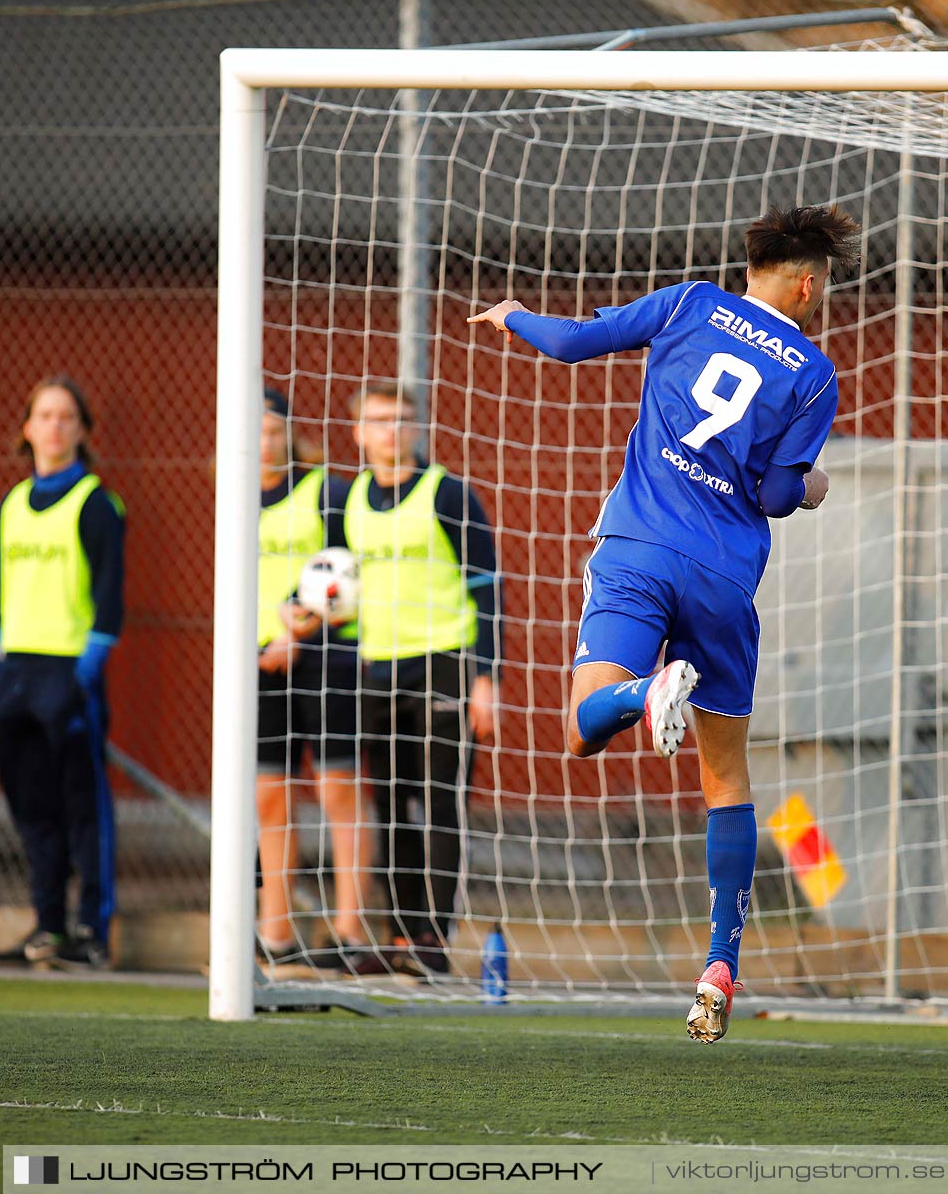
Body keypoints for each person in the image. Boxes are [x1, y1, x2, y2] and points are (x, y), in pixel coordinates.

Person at [468, 203, 859, 1041]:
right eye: (822, 286)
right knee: (727, 780)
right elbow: (776, 495)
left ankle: (643, 692)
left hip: (640, 547)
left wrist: (513, 316)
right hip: (722, 579)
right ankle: (720, 962)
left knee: (580, 728)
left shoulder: (687, 304)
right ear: (805, 281)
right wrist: (814, 486)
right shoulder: (815, 372)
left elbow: (573, 343)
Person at [338, 381, 501, 977]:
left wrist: (486, 678)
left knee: (438, 804)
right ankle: (399, 936)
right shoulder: (348, 501)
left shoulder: (448, 494)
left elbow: (487, 590)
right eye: (378, 420)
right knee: (388, 806)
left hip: (445, 665)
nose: (391, 430)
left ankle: (433, 938)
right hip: (377, 670)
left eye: (402, 419)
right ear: (358, 432)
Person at [0, 378, 126, 971]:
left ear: (83, 431)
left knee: (82, 806)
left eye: (68, 417)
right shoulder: (12, 503)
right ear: (27, 428)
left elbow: (110, 598)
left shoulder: (96, 502)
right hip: (15, 673)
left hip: (68, 673)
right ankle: (47, 926)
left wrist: (87, 671)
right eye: (45, 415)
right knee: (32, 807)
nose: (56, 426)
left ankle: (91, 930)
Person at [251, 388, 372, 970]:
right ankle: (273, 934)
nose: (263, 440)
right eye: (253, 429)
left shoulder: (325, 492)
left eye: (273, 429)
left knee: (336, 792)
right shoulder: (235, 495)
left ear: (289, 434)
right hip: (257, 664)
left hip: (325, 660)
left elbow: (348, 578)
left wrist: (295, 631)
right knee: (269, 796)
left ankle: (348, 932)